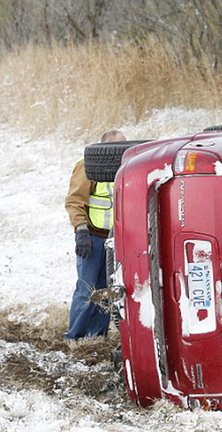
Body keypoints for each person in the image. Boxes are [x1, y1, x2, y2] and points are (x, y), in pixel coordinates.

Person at [64, 129, 126, 340]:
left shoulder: (125, 169)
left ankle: (97, 336)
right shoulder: (88, 165)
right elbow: (75, 201)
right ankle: (75, 337)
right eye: (116, 146)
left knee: (107, 290)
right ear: (104, 147)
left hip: (115, 240)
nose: (120, 151)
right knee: (87, 289)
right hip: (92, 238)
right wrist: (81, 230)